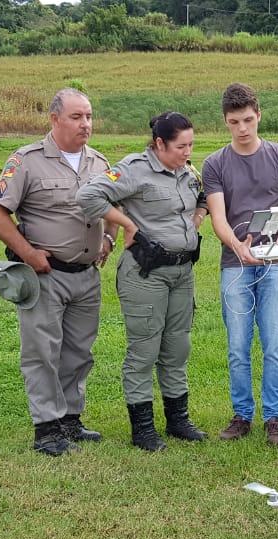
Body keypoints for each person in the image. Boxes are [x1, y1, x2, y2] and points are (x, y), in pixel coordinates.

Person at [0, 87, 117, 457]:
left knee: (79, 350)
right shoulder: (26, 160)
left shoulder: (99, 162)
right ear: (55, 119)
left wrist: (109, 239)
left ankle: (70, 419)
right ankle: (46, 428)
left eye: (89, 116)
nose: (85, 124)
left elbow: (114, 204)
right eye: (77, 117)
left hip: (86, 276)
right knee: (42, 351)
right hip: (46, 275)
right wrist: (28, 254)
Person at [75, 111, 209, 452]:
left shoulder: (187, 171)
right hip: (146, 273)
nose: (187, 152)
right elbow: (88, 196)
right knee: (144, 350)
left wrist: (197, 218)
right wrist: (127, 224)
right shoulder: (134, 169)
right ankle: (143, 429)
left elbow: (203, 196)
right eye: (181, 146)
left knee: (177, 347)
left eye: (191, 145)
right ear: (160, 143)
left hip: (182, 271)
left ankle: (178, 420)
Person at [201, 83, 278, 447]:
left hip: (276, 264)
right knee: (237, 345)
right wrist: (237, 246)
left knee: (275, 343)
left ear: (258, 115)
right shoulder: (214, 163)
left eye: (247, 120)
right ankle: (242, 414)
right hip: (235, 264)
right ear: (225, 122)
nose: (242, 128)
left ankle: (274, 416)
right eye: (234, 122)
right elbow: (218, 217)